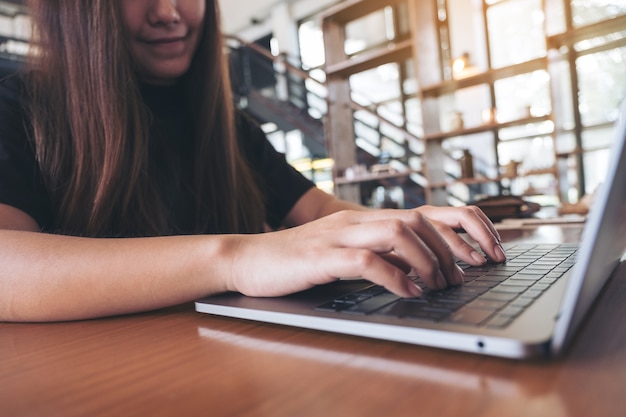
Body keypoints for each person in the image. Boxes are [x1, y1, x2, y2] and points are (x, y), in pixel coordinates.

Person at [0, 0, 506, 323]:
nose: (170, 12)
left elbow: (315, 212)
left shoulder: (230, 125)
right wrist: (240, 258)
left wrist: (407, 226)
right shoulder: (18, 107)